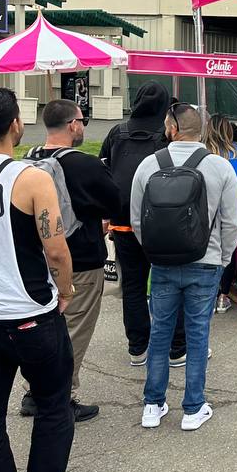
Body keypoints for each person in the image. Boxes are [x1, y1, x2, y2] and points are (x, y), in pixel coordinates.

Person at [0, 89, 103, 472]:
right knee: (53, 406)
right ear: (16, 125)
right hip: (32, 316)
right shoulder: (32, 178)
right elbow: (56, 248)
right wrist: (64, 292)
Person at [130, 103, 237, 432]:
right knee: (197, 335)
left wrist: (154, 250)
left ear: (172, 129)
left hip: (162, 264)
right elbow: (230, 223)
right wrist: (221, 260)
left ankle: (153, 404)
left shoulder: (149, 165)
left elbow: (137, 219)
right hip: (205, 264)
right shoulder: (220, 167)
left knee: (160, 333)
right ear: (202, 131)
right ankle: (193, 407)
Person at [21, 99, 121, 422]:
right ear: (71, 125)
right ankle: (59, 396)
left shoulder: (29, 161)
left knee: (46, 329)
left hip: (37, 261)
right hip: (80, 261)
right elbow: (115, 202)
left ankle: (34, 390)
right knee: (74, 330)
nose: (83, 126)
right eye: (83, 120)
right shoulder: (85, 165)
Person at [100, 82, 186, 366]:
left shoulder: (118, 132)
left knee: (133, 286)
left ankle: (138, 347)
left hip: (123, 223)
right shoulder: (167, 134)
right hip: (160, 225)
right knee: (168, 284)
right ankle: (175, 348)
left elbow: (104, 169)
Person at [204, 114, 237, 313]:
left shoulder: (206, 153)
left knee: (209, 249)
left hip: (214, 206)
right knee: (230, 249)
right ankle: (223, 296)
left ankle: (208, 294)